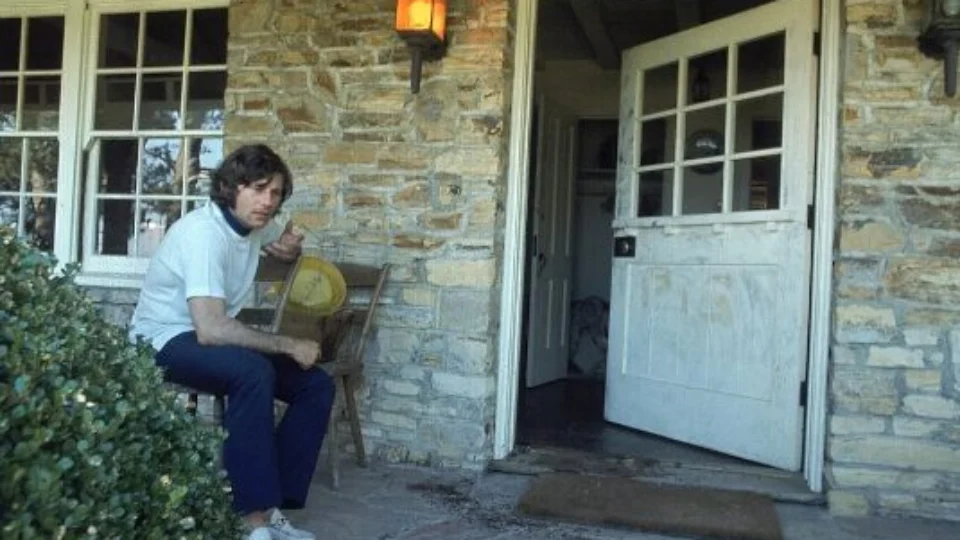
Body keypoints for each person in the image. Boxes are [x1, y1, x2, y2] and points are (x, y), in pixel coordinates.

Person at [129, 144, 333, 540]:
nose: (267, 202)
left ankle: (274, 509)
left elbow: (279, 246)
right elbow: (211, 329)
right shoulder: (204, 234)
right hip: (161, 340)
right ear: (229, 188)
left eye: (274, 193)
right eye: (257, 189)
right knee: (252, 372)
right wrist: (289, 343)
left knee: (315, 384)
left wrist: (291, 248)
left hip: (205, 335)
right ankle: (250, 520)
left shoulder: (253, 222)